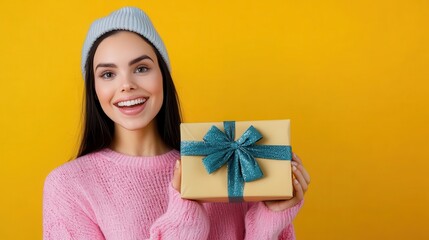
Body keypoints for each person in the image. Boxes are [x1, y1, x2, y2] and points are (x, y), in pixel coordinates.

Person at [43, 6, 311, 240]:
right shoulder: (69, 187)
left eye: (141, 68)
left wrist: (269, 220)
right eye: (108, 74)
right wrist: (184, 218)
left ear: (163, 76)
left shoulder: (224, 162)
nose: (126, 85)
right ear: (94, 88)